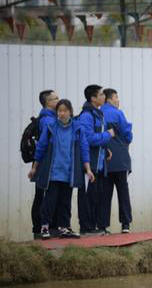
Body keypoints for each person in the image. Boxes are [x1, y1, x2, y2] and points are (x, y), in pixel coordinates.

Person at [28, 99, 95, 239]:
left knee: (66, 201)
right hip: (53, 173)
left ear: (70, 112)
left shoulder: (77, 129)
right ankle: (45, 227)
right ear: (56, 112)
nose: (62, 113)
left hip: (69, 172)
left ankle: (64, 228)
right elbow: (40, 148)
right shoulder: (51, 127)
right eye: (59, 111)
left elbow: (84, 149)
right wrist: (34, 168)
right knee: (49, 201)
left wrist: (88, 169)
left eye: (65, 110)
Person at [78, 85, 114, 235]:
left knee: (96, 196)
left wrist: (106, 149)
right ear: (93, 98)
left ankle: (94, 227)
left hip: (99, 164)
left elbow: (97, 138)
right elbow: (88, 138)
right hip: (89, 164)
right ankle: (86, 228)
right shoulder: (87, 115)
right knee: (87, 197)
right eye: (100, 94)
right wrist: (108, 135)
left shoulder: (98, 114)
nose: (103, 97)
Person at [100, 89, 133, 233]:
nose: (118, 100)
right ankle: (125, 224)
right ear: (109, 99)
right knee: (123, 192)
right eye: (116, 97)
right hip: (119, 158)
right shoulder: (118, 113)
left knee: (105, 194)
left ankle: (102, 225)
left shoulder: (99, 113)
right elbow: (127, 134)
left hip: (104, 161)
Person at [30, 90, 59, 239]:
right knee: (43, 196)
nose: (58, 100)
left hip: (42, 163)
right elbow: (44, 145)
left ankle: (40, 228)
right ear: (48, 102)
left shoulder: (48, 118)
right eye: (56, 98)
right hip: (45, 164)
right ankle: (42, 228)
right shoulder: (48, 120)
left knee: (41, 195)